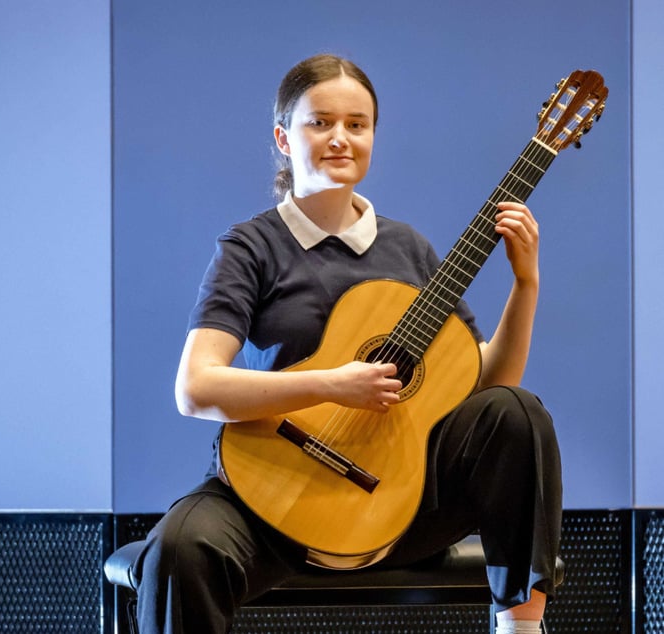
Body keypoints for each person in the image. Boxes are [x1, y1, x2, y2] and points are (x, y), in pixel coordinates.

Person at [131, 53, 562, 634]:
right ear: (284, 138)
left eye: (357, 125)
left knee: (519, 413)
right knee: (179, 548)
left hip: (395, 499)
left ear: (373, 137)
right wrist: (335, 384)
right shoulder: (251, 246)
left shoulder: (409, 248)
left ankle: (521, 625)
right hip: (273, 498)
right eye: (320, 122)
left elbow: (488, 381)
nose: (341, 138)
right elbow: (196, 387)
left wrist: (526, 282)